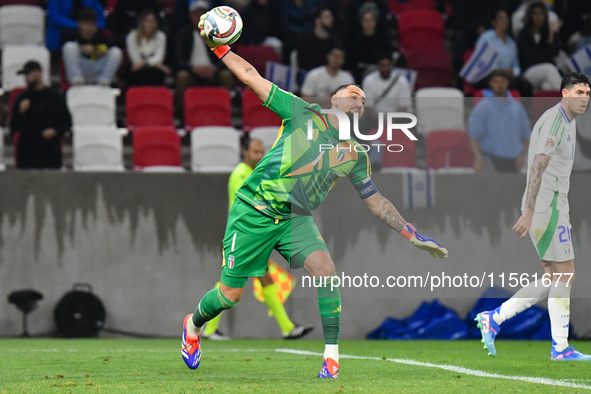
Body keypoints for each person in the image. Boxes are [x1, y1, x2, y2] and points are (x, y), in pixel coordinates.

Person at [181, 11, 448, 378]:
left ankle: (332, 357)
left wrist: (412, 234)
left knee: (326, 270)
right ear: (333, 100)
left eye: (361, 99)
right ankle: (193, 327)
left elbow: (376, 202)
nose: (356, 98)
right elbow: (251, 77)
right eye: (349, 93)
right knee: (229, 296)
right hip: (254, 210)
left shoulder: (356, 155)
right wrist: (222, 49)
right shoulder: (301, 111)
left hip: (295, 220)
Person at [475, 72, 591, 361]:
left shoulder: (567, 121)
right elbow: (538, 165)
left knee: (554, 276)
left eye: (588, 93)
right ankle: (560, 347)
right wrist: (529, 210)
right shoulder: (555, 121)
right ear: (564, 93)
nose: (585, 98)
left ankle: (495, 318)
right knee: (566, 273)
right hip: (545, 205)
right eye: (579, 92)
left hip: (552, 205)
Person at [202, 138, 314, 340]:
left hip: (253, 236)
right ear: (244, 153)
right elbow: (252, 204)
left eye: (262, 152)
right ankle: (208, 328)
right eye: (255, 152)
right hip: (243, 236)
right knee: (230, 285)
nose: (260, 156)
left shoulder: (255, 173)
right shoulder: (241, 174)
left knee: (259, 278)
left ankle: (287, 327)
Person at [10, 61, 72, 169]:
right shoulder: (22, 98)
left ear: (39, 73)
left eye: (29, 74)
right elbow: (13, 126)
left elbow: (67, 122)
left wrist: (55, 131)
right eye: (25, 75)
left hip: (50, 151)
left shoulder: (55, 97)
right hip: (27, 151)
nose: (26, 78)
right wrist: (21, 112)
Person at [174, 1, 233, 112]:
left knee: (226, 76)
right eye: (197, 14)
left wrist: (215, 68)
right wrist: (193, 69)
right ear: (190, 15)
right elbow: (178, 59)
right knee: (182, 77)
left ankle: (225, 110)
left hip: (211, 71)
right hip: (192, 71)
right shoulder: (183, 34)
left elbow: (225, 56)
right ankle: (182, 112)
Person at [469, 70, 531, 173]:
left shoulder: (518, 108)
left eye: (502, 81)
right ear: (491, 83)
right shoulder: (482, 108)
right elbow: (474, 136)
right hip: (490, 160)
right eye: (496, 81)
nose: (499, 85)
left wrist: (522, 155)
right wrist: (478, 158)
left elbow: (526, 136)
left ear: (507, 83)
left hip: (515, 161)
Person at [361, 55, 412, 167]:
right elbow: (369, 107)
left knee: (411, 124)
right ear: (378, 67)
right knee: (360, 127)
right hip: (375, 116)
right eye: (382, 66)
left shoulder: (402, 81)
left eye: (388, 66)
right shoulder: (369, 80)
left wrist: (390, 120)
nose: (385, 69)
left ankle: (407, 157)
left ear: (392, 66)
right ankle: (367, 158)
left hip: (396, 117)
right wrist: (382, 120)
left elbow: (403, 107)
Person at [62, 8, 123, 86]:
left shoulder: (101, 36)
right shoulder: (71, 35)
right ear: (79, 24)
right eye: (85, 24)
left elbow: (114, 44)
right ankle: (76, 79)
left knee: (116, 52)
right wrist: (81, 48)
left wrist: (100, 50)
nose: (88, 27)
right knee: (69, 46)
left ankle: (104, 80)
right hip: (81, 67)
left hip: (97, 67)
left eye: (91, 24)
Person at [517, 1, 563, 92]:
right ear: (530, 16)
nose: (539, 17)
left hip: (546, 72)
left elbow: (554, 53)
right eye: (535, 14)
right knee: (549, 68)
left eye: (541, 13)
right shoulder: (524, 34)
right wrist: (545, 54)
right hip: (529, 72)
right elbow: (531, 57)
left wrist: (550, 37)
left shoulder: (549, 33)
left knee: (547, 86)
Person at [346, 2, 392, 83]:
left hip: (378, 74)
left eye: (371, 20)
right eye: (365, 20)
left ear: (375, 21)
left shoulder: (383, 39)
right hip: (358, 74)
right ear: (361, 21)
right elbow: (350, 61)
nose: (368, 23)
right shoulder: (353, 40)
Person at [125, 9, 170, 86]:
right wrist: (155, 64)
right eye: (147, 21)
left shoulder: (161, 36)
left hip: (153, 70)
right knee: (140, 73)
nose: (149, 24)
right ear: (141, 22)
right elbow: (135, 60)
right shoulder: (132, 36)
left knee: (154, 73)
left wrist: (145, 62)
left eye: (152, 21)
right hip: (138, 71)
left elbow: (159, 58)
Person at [296, 7, 341, 73]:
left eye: (331, 17)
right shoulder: (306, 38)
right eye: (327, 17)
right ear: (317, 20)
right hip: (309, 74)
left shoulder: (334, 41)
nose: (331, 19)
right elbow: (302, 63)